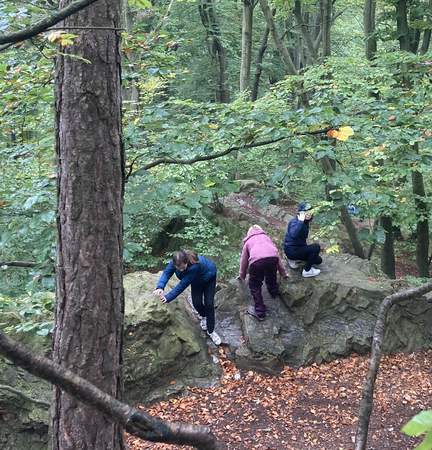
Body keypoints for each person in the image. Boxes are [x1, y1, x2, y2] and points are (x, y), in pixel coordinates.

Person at [153, 249, 222, 345]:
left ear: (187, 262)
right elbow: (166, 273)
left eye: (183, 267)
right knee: (197, 303)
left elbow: (182, 285)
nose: (181, 270)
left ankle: (211, 331)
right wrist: (160, 287)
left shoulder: (194, 267)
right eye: (179, 268)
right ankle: (204, 317)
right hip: (196, 280)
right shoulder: (174, 262)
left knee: (209, 304)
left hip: (208, 277)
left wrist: (168, 297)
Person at [239, 225, 288, 321]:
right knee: (271, 276)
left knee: (255, 285)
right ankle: (273, 292)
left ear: (248, 234)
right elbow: (276, 255)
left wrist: (242, 275)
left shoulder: (248, 242)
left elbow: (243, 261)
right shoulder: (266, 238)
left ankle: (260, 311)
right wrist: (283, 273)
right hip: (272, 258)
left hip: (257, 262)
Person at [284, 202, 322, 278]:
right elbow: (293, 234)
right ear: (300, 212)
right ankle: (307, 271)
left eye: (310, 212)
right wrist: (300, 221)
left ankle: (296, 259)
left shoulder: (305, 222)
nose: (309, 214)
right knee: (316, 247)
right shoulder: (295, 222)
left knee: (318, 260)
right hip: (291, 250)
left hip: (299, 248)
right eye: (306, 212)